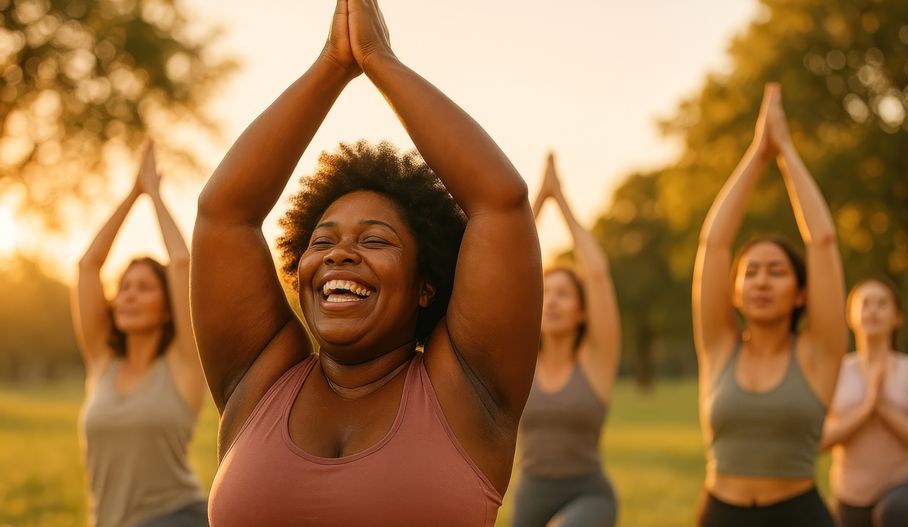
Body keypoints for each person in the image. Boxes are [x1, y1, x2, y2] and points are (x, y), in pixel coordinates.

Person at [192, 1, 542, 525]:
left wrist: (379, 61)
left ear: (426, 285)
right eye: (322, 241)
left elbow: (500, 202)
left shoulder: (466, 389)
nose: (340, 253)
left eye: (375, 241)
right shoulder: (261, 375)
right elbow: (224, 215)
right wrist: (330, 65)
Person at [692, 83, 846, 527]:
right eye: (752, 272)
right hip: (719, 513)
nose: (762, 280)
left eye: (777, 272)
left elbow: (823, 242)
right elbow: (715, 244)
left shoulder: (818, 354)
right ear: (734, 290)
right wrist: (757, 153)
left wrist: (786, 154)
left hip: (800, 514)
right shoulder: (720, 346)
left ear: (801, 293)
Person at [72, 141, 208, 527]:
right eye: (124, 286)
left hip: (178, 518)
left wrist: (155, 196)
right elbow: (87, 267)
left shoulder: (183, 364)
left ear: (168, 309)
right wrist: (133, 193)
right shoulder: (102, 361)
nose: (129, 295)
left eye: (145, 287)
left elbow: (181, 262)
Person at [512, 153, 621, 526]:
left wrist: (564, 202)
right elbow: (509, 263)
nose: (552, 301)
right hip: (529, 495)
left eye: (564, 294)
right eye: (547, 292)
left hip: (588, 495)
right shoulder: (520, 362)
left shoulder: (596, 362)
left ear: (582, 311)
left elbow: (597, 273)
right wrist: (539, 198)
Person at [822, 277, 908, 527]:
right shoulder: (835, 372)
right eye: (865, 303)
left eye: (882, 304)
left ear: (898, 317)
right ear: (850, 316)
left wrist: (884, 409)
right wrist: (865, 411)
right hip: (849, 498)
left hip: (902, 488)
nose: (872, 310)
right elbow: (816, 442)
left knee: (893, 513)